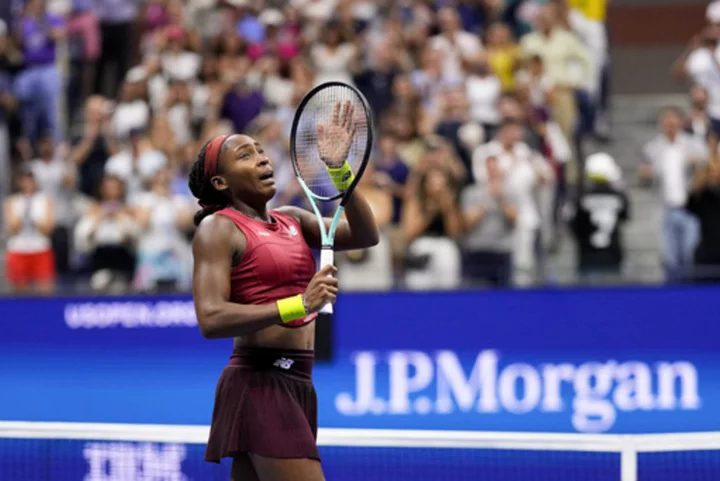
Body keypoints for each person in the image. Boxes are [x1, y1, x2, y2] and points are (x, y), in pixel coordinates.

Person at [190, 101, 378, 481]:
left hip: (299, 383)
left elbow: (364, 235)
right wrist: (299, 304)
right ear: (221, 182)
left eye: (261, 151)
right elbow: (211, 318)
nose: (261, 158)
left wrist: (340, 171)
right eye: (246, 155)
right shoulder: (218, 228)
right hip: (260, 383)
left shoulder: (291, 220)